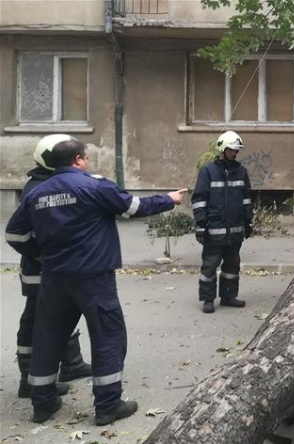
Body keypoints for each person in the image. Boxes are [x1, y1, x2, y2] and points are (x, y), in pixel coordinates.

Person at [5, 137, 186, 425]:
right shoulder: (94, 185)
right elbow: (133, 207)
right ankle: (108, 405)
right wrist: (169, 199)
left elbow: (14, 234)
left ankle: (42, 404)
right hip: (93, 277)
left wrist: (37, 255)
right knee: (108, 337)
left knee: (48, 338)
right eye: (86, 157)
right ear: (78, 159)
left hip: (53, 278)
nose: (87, 161)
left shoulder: (37, 194)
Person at [15, 135, 92, 400]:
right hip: (42, 270)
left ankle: (71, 363)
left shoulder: (49, 182)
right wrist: (40, 256)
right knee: (36, 319)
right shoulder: (38, 188)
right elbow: (17, 232)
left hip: (55, 268)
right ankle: (28, 380)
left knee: (62, 312)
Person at [192, 131, 253, 314]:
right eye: (232, 150)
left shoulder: (241, 171)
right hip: (214, 230)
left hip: (235, 230)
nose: (235, 153)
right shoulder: (208, 171)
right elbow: (199, 199)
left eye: (236, 150)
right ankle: (208, 299)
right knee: (210, 266)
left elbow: (246, 199)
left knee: (232, 266)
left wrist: (248, 222)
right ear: (223, 149)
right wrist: (201, 225)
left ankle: (228, 296)